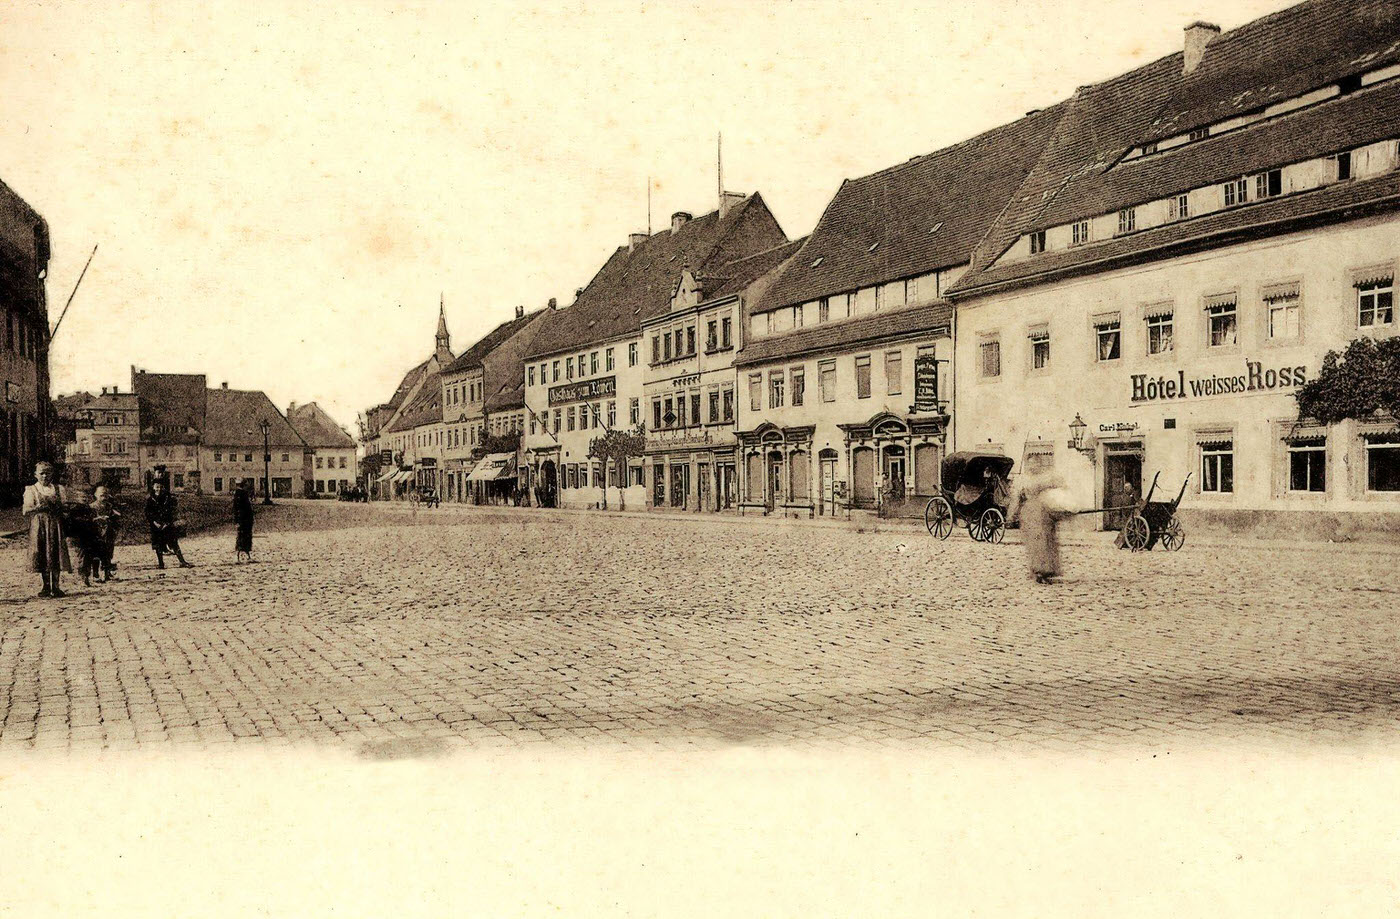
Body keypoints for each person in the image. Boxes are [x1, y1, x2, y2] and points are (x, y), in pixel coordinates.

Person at [22, 462, 72, 597]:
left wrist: (61, 508)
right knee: (42, 553)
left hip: (56, 524)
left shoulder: (58, 488)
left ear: (52, 474)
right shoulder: (31, 489)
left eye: (48, 473)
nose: (45, 476)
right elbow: (25, 510)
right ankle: (46, 586)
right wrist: (38, 508)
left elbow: (65, 507)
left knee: (56, 553)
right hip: (39, 525)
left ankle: (56, 586)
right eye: (42, 473)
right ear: (36, 475)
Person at [1018, 471, 1076, 585]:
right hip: (1036, 527)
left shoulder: (1040, 501)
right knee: (1040, 548)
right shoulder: (1033, 501)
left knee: (1045, 547)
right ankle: (1039, 573)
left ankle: (1044, 572)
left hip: (1042, 526)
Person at [146, 478, 193, 569]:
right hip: (156, 526)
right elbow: (148, 513)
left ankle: (182, 561)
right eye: (156, 487)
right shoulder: (150, 500)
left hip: (167, 524)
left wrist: (167, 523)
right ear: (153, 487)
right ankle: (161, 564)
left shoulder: (166, 498)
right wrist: (155, 523)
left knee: (174, 543)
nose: (158, 489)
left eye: (160, 487)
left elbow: (170, 511)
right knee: (158, 545)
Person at [90, 485, 122, 581]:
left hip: (108, 533)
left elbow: (116, 517)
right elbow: (88, 520)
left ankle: (107, 573)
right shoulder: (92, 507)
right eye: (101, 495)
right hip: (96, 533)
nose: (103, 497)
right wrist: (98, 519)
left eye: (105, 495)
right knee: (96, 554)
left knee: (108, 553)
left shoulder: (109, 506)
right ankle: (95, 574)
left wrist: (114, 517)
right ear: (95, 495)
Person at [233, 479, 255, 563]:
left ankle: (248, 556)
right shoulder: (239, 494)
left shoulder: (242, 493)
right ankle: (237, 557)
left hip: (246, 520)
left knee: (246, 537)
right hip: (243, 520)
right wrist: (237, 521)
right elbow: (237, 509)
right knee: (241, 538)